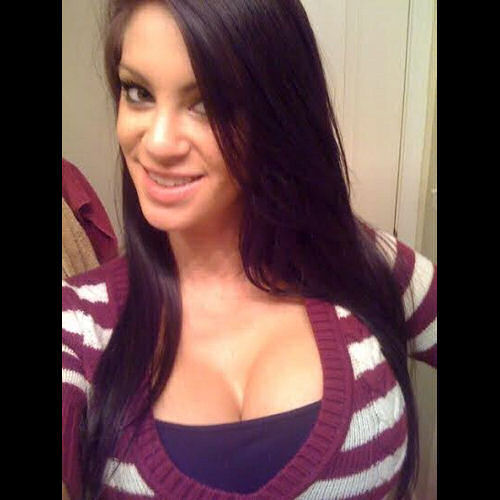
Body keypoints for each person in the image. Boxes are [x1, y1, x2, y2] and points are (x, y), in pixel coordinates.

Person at [62, 1, 437, 499]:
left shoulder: (364, 262)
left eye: (207, 102)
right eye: (139, 93)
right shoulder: (79, 324)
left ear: (277, 112)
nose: (157, 142)